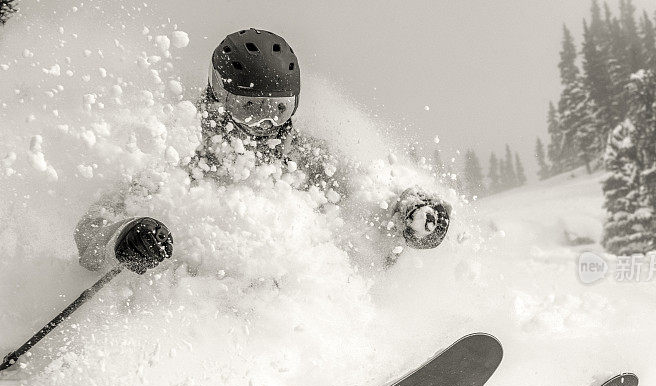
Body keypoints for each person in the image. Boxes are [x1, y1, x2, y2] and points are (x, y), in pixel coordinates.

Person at [74, 28, 452, 275]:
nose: (264, 127)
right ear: (219, 99)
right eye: (249, 109)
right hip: (196, 311)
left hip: (289, 311)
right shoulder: (176, 154)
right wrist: (127, 235)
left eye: (278, 109)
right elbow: (90, 235)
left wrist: (408, 216)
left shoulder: (307, 160)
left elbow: (366, 203)